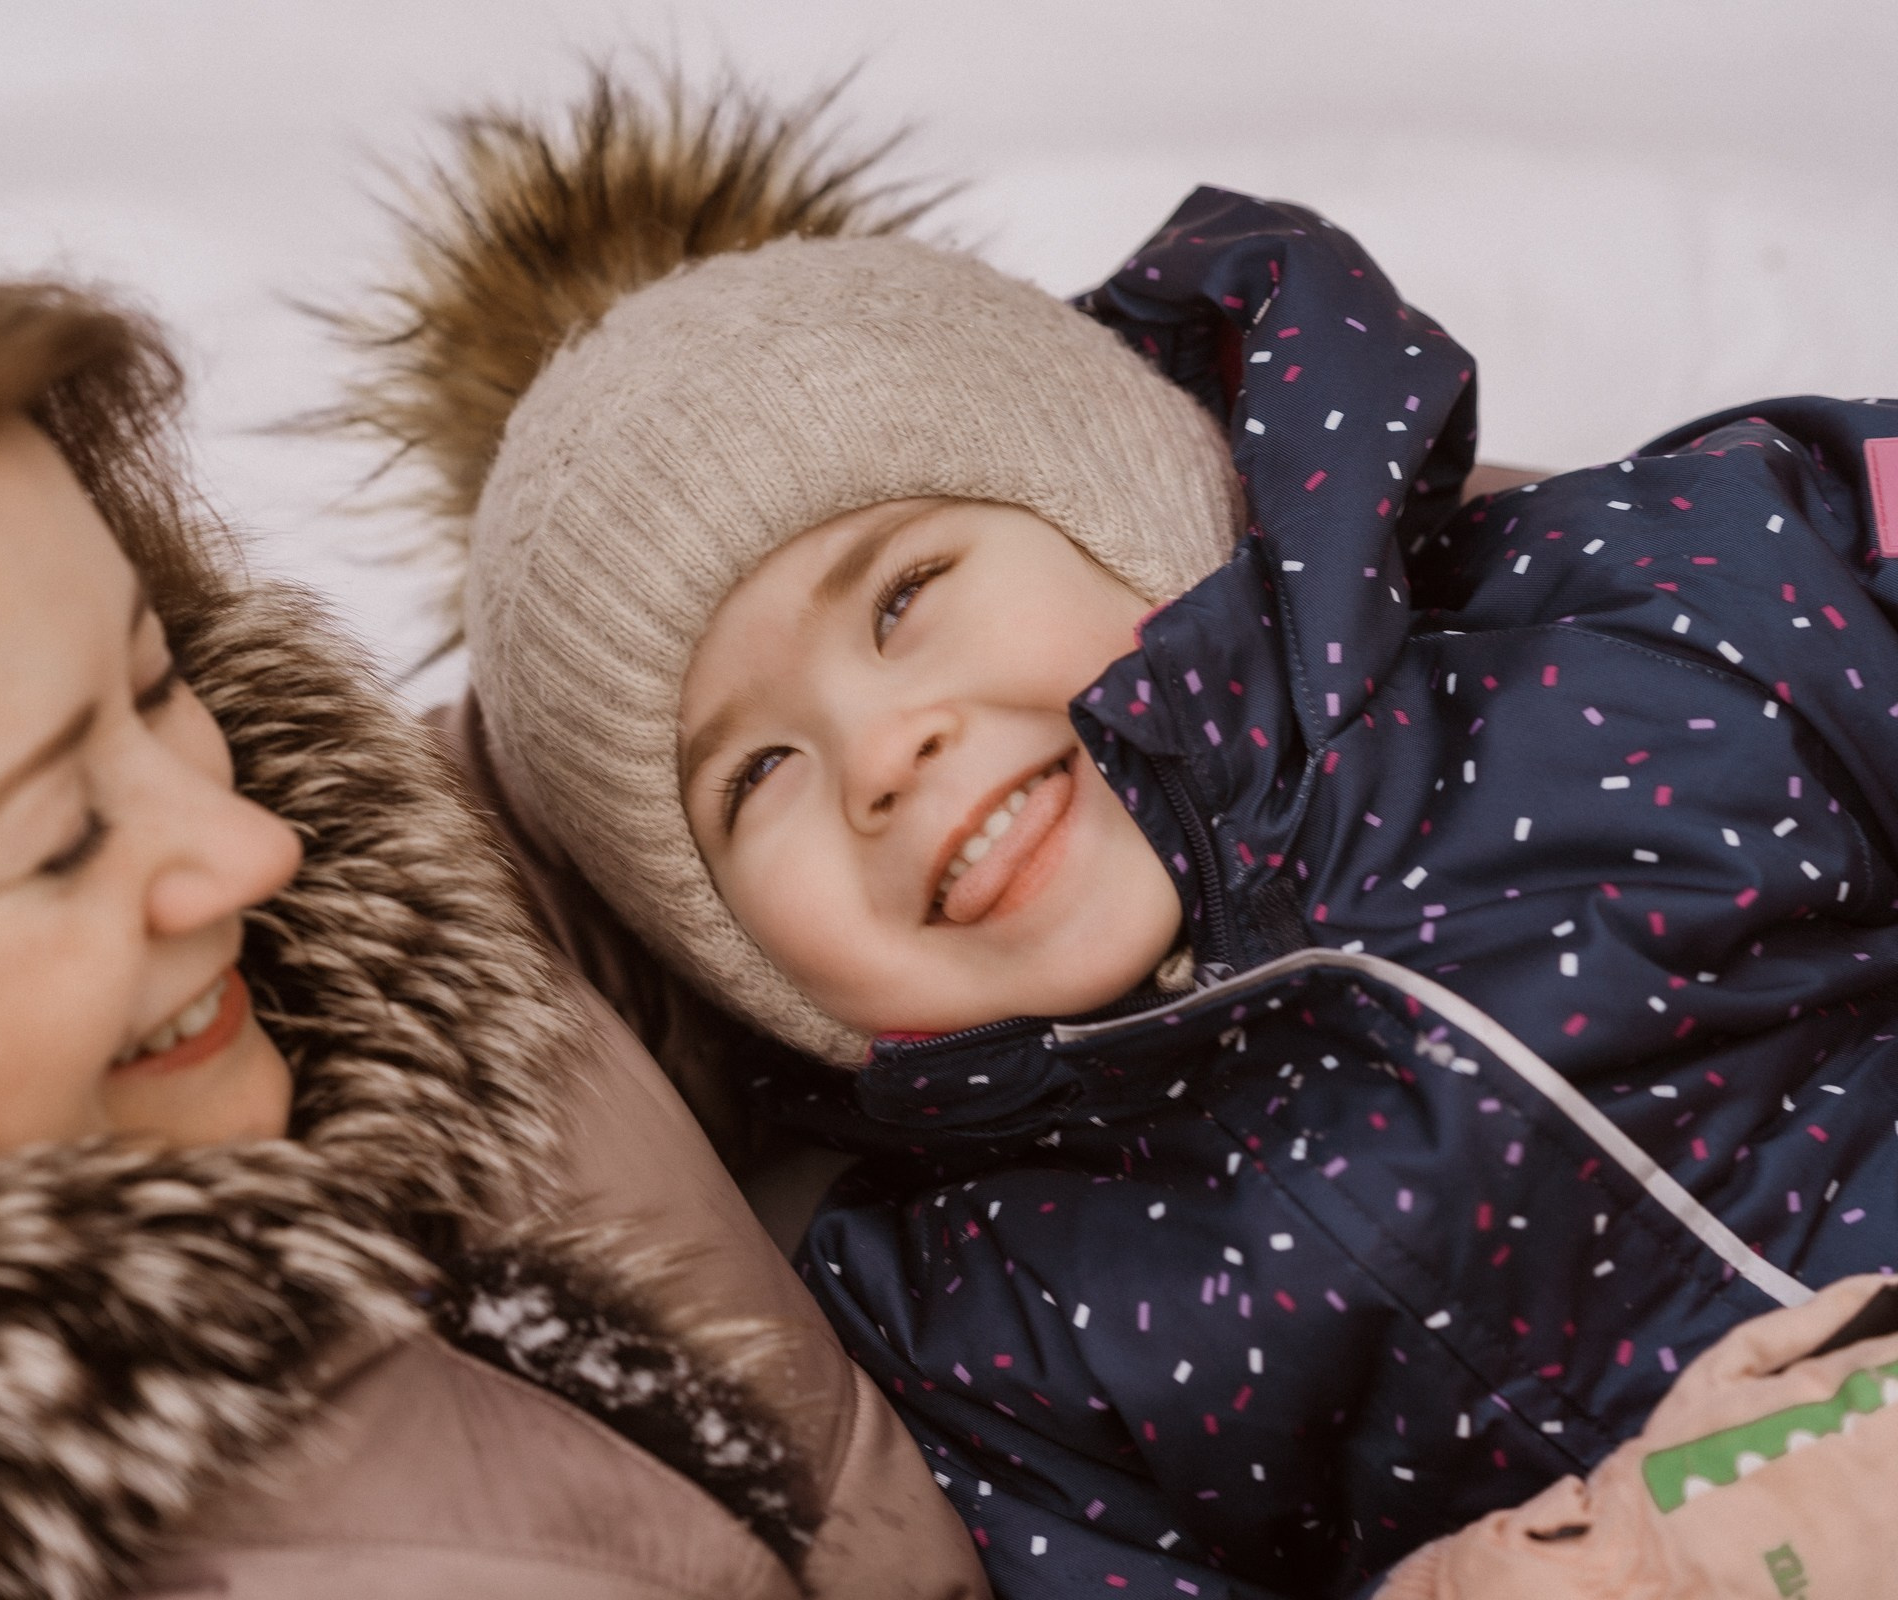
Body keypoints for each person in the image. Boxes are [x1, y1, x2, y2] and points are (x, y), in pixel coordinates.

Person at [329, 74, 1898, 1597]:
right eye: (753, 780)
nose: (883, 755)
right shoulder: (970, 1324)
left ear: (1138, 494)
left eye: (901, 596)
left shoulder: (1631, 623)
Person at [0, 216, 990, 1599]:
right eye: (61, 838)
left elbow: (622, 756)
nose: (245, 851)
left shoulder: (376, 920)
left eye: (154, 688)